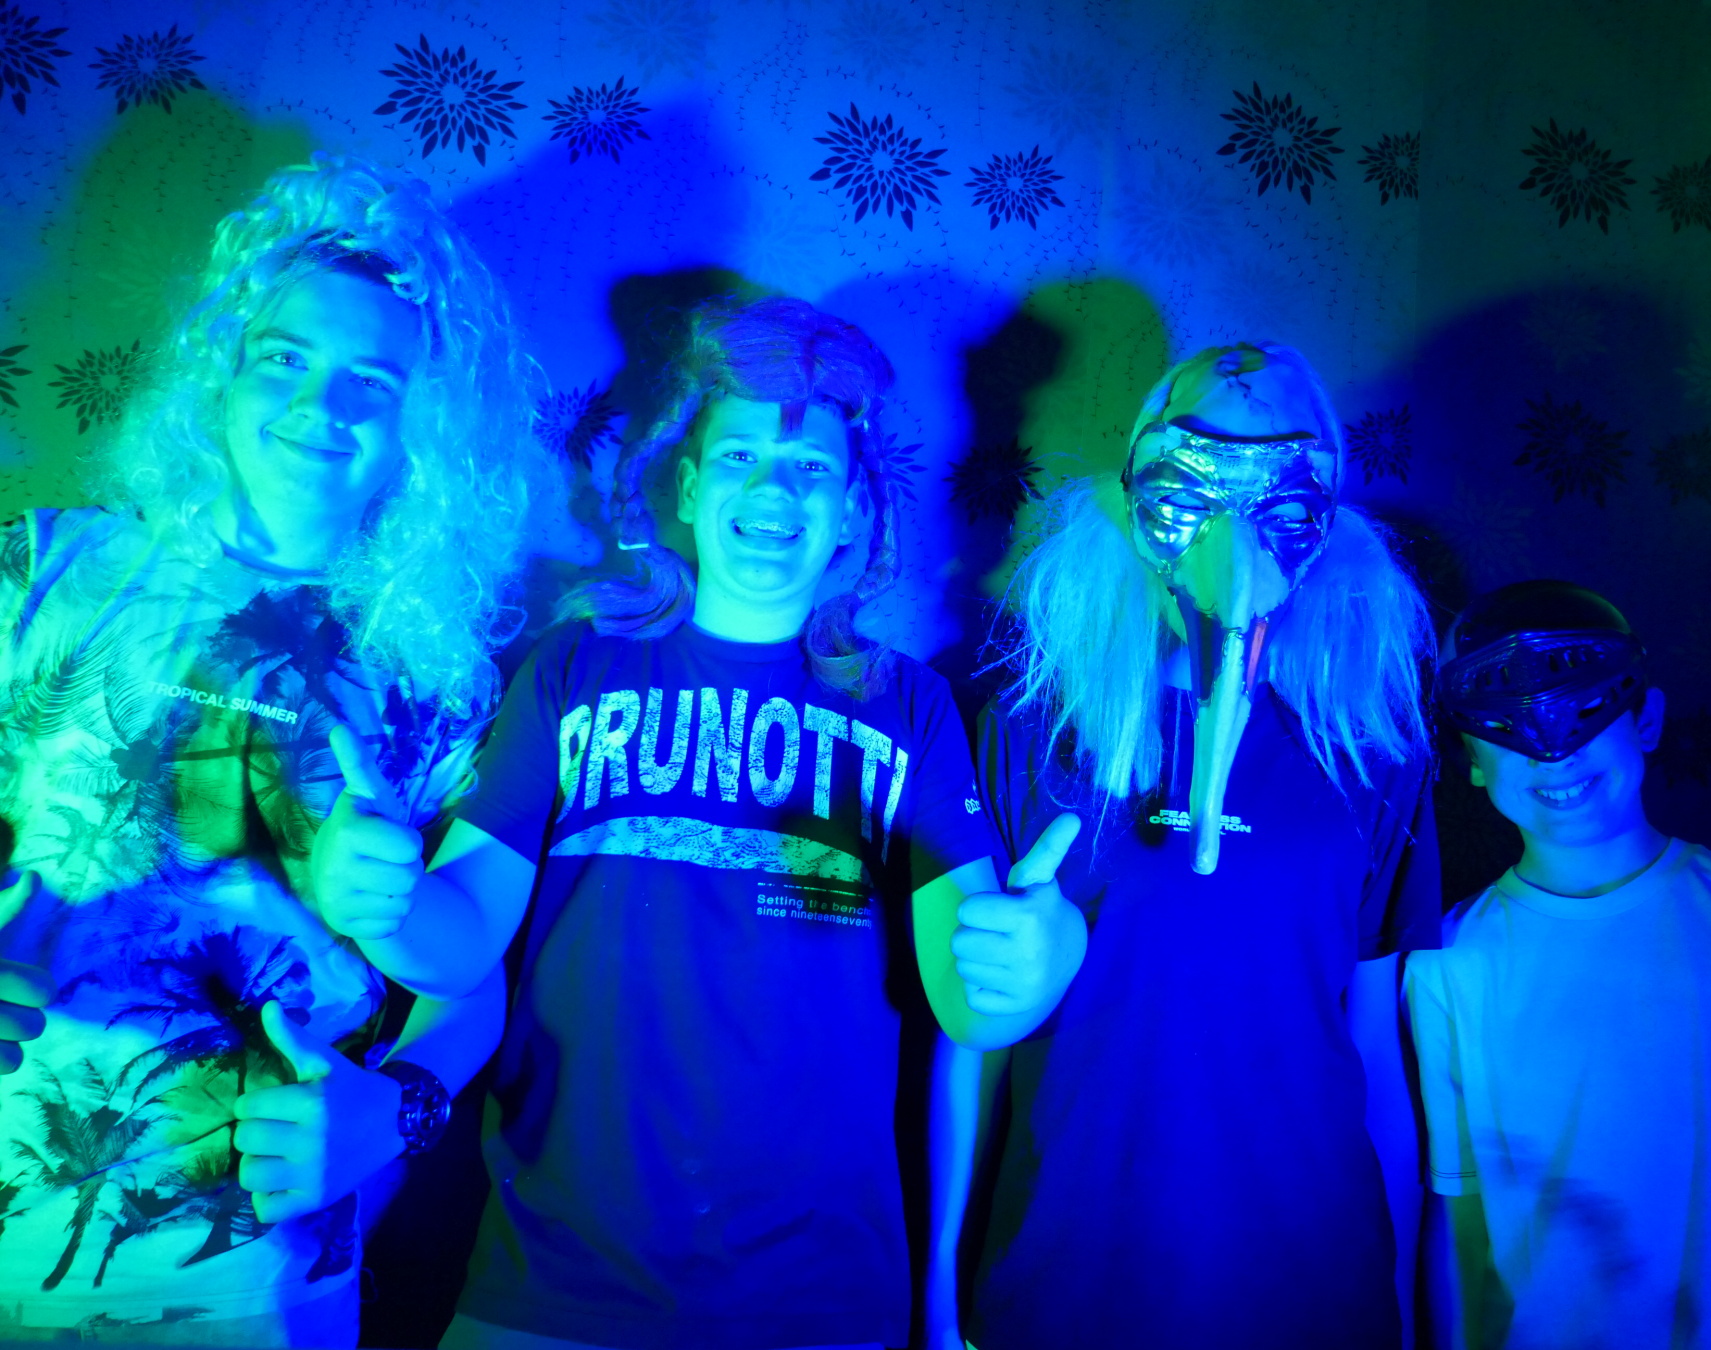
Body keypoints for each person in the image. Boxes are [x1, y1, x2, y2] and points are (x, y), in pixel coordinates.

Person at [333, 296, 1086, 1350]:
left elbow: (971, 1000)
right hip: (549, 1284)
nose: (773, 489)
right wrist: (388, 905)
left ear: (853, 513)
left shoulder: (908, 706)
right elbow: (462, 941)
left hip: (819, 1301)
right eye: (740, 457)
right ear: (687, 486)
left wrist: (1040, 956)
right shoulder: (575, 666)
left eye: (811, 467)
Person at [0, 155, 561, 1346]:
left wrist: (396, 1111)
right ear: (222, 370)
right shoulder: (43, 571)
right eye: (285, 358)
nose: (322, 406)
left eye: (373, 381)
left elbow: (471, 978)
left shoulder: (437, 679)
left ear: (419, 435)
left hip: (257, 1285)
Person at [944, 342, 1442, 1349]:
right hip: (1067, 1273)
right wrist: (940, 1297)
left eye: (1280, 506)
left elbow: (1378, 1049)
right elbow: (971, 1042)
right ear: (1131, 496)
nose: (1232, 547)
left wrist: (1395, 1302)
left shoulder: (1372, 753)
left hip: (1311, 1282)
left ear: (1328, 518)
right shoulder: (1032, 728)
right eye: (1188, 494)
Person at [1406, 581, 1711, 1350]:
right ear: (1473, 762)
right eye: (1508, 730)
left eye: (1584, 713)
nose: (1553, 751)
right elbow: (1462, 1222)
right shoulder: (1448, 965)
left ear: (1645, 720)